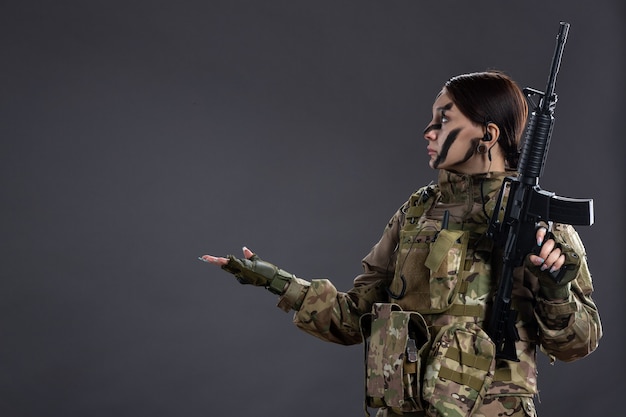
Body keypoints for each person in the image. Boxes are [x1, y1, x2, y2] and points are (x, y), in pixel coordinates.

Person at [199, 71, 602, 417]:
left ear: (487, 134)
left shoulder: (538, 223)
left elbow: (579, 343)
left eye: (444, 121)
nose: (428, 132)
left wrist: (556, 289)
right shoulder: (418, 211)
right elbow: (355, 317)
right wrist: (273, 280)